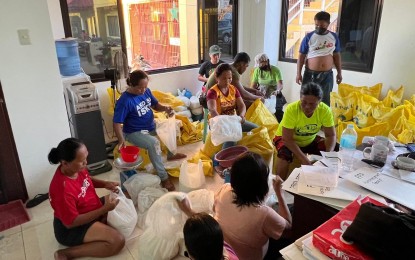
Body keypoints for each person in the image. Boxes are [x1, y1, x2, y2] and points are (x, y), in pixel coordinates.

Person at [48, 138, 125, 260]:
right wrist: (104, 210)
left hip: (90, 207)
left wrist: (105, 184)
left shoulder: (77, 168)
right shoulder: (61, 190)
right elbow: (71, 223)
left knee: (124, 196)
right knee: (118, 241)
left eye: (86, 158)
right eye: (81, 161)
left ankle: (101, 222)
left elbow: (87, 179)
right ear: (65, 163)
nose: (86, 163)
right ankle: (67, 253)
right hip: (73, 227)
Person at [113, 70, 186, 191]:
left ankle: (171, 154)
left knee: (173, 125)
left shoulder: (146, 91)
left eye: (145, 87)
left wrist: (166, 109)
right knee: (154, 143)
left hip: (150, 125)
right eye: (140, 88)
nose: (143, 90)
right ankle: (164, 177)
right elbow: (116, 123)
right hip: (134, 132)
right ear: (131, 85)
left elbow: (155, 105)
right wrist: (121, 140)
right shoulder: (124, 101)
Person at [214, 152, 292, 260]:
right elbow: (288, 229)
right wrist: (279, 193)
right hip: (249, 256)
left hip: (225, 250)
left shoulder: (224, 189)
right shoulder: (263, 214)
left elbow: (215, 209)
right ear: (262, 185)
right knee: (292, 234)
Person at [273, 82, 338, 180]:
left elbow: (331, 135)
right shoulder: (292, 109)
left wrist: (328, 156)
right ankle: (278, 187)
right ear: (300, 98)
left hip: (309, 140)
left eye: (312, 104)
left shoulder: (325, 110)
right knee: (284, 154)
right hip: (286, 139)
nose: (307, 107)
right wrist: (304, 159)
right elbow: (287, 139)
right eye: (304, 102)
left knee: (336, 148)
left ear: (319, 102)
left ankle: (326, 180)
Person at [206, 63, 258, 174]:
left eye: (229, 78)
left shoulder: (233, 89)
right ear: (217, 78)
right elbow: (212, 110)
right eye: (224, 78)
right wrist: (224, 122)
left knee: (256, 129)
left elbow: (242, 105)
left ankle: (229, 156)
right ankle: (218, 161)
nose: (227, 81)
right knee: (232, 136)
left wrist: (242, 116)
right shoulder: (213, 92)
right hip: (217, 122)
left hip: (233, 121)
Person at [296, 11, 342, 106]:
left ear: (328, 24)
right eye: (316, 25)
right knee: (306, 100)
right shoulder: (309, 37)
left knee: (325, 101)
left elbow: (337, 56)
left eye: (322, 26)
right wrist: (298, 74)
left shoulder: (333, 37)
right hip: (310, 74)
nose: (318, 27)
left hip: (327, 76)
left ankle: (321, 121)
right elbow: (301, 56)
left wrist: (339, 73)